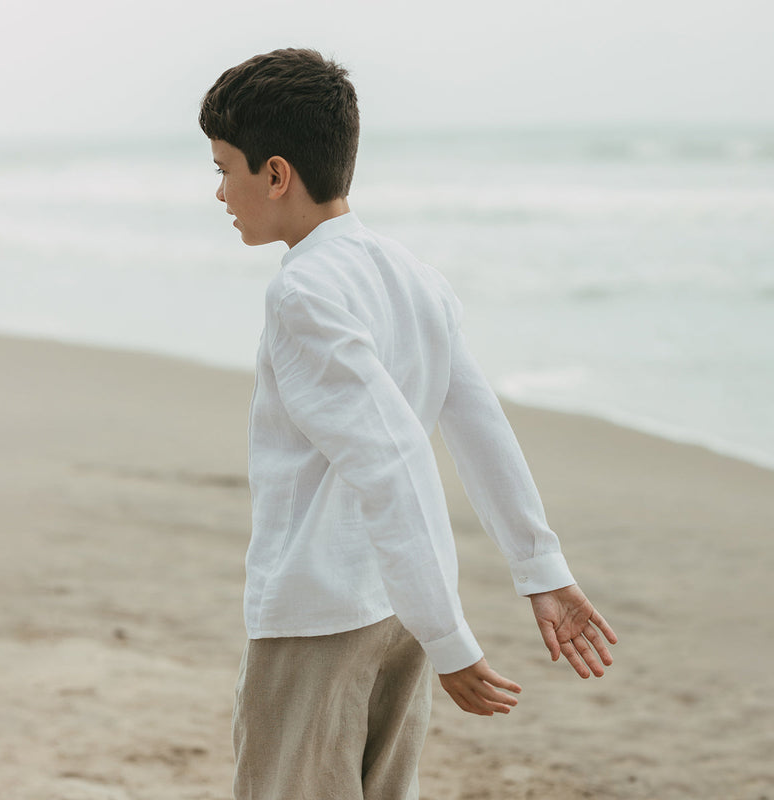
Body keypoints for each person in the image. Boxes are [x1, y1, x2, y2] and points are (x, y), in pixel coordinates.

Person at [199, 48, 617, 800]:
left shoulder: (303, 293)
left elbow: (393, 462)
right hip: (395, 612)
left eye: (225, 166)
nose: (219, 190)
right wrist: (539, 568)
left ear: (276, 174)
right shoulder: (413, 275)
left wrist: (453, 637)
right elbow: (481, 428)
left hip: (318, 611)